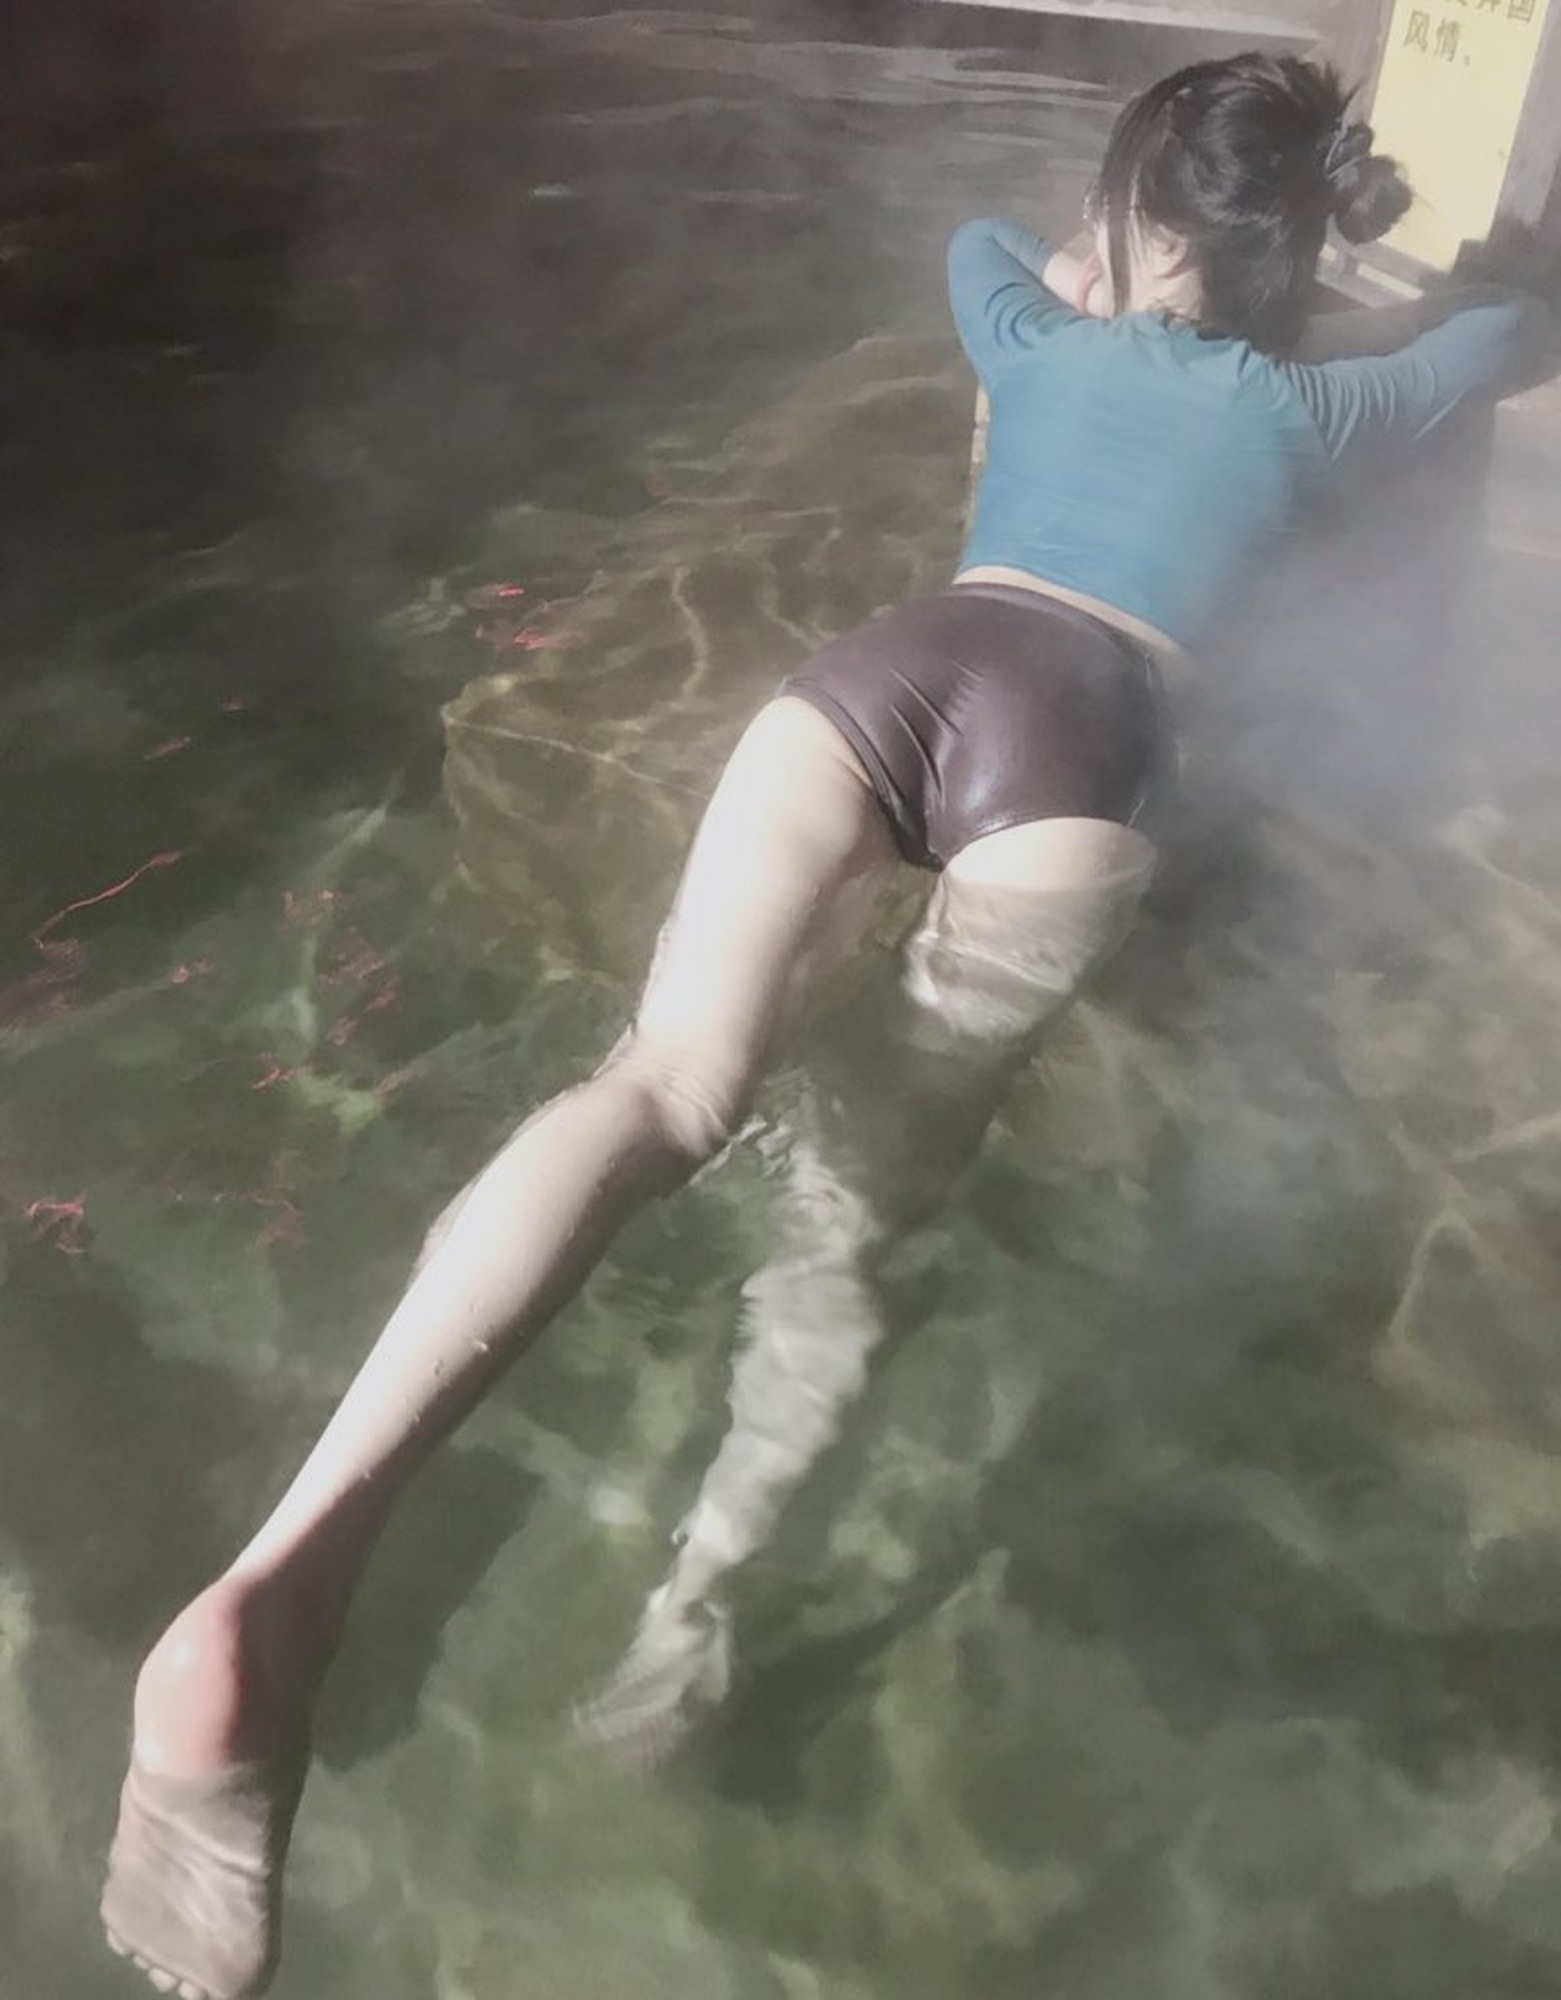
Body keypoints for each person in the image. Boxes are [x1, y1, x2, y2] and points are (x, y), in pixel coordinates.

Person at [101, 50, 1552, 2000]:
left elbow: (974, 242)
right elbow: (1515, 333)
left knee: (660, 1084)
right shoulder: (1322, 399)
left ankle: (293, 1565)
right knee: (855, 1198)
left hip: (887, 672)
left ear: (1128, 218)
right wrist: (1362, 292)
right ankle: (694, 1602)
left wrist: (1083, 276)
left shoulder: (1033, 321)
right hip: (1080, 751)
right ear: (1287, 240)